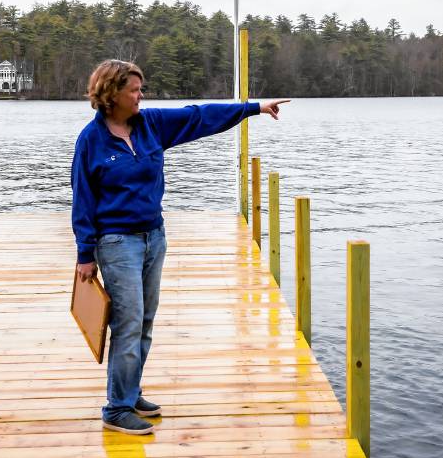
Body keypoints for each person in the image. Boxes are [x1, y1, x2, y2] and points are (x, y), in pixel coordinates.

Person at [72, 59, 289, 435]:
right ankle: (117, 408)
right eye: (134, 90)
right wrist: (85, 254)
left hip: (153, 236)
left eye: (141, 89)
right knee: (127, 322)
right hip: (116, 242)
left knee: (145, 321)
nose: (141, 95)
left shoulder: (151, 125)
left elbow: (200, 116)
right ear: (111, 94)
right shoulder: (90, 141)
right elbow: (83, 199)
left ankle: (129, 390)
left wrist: (253, 108)